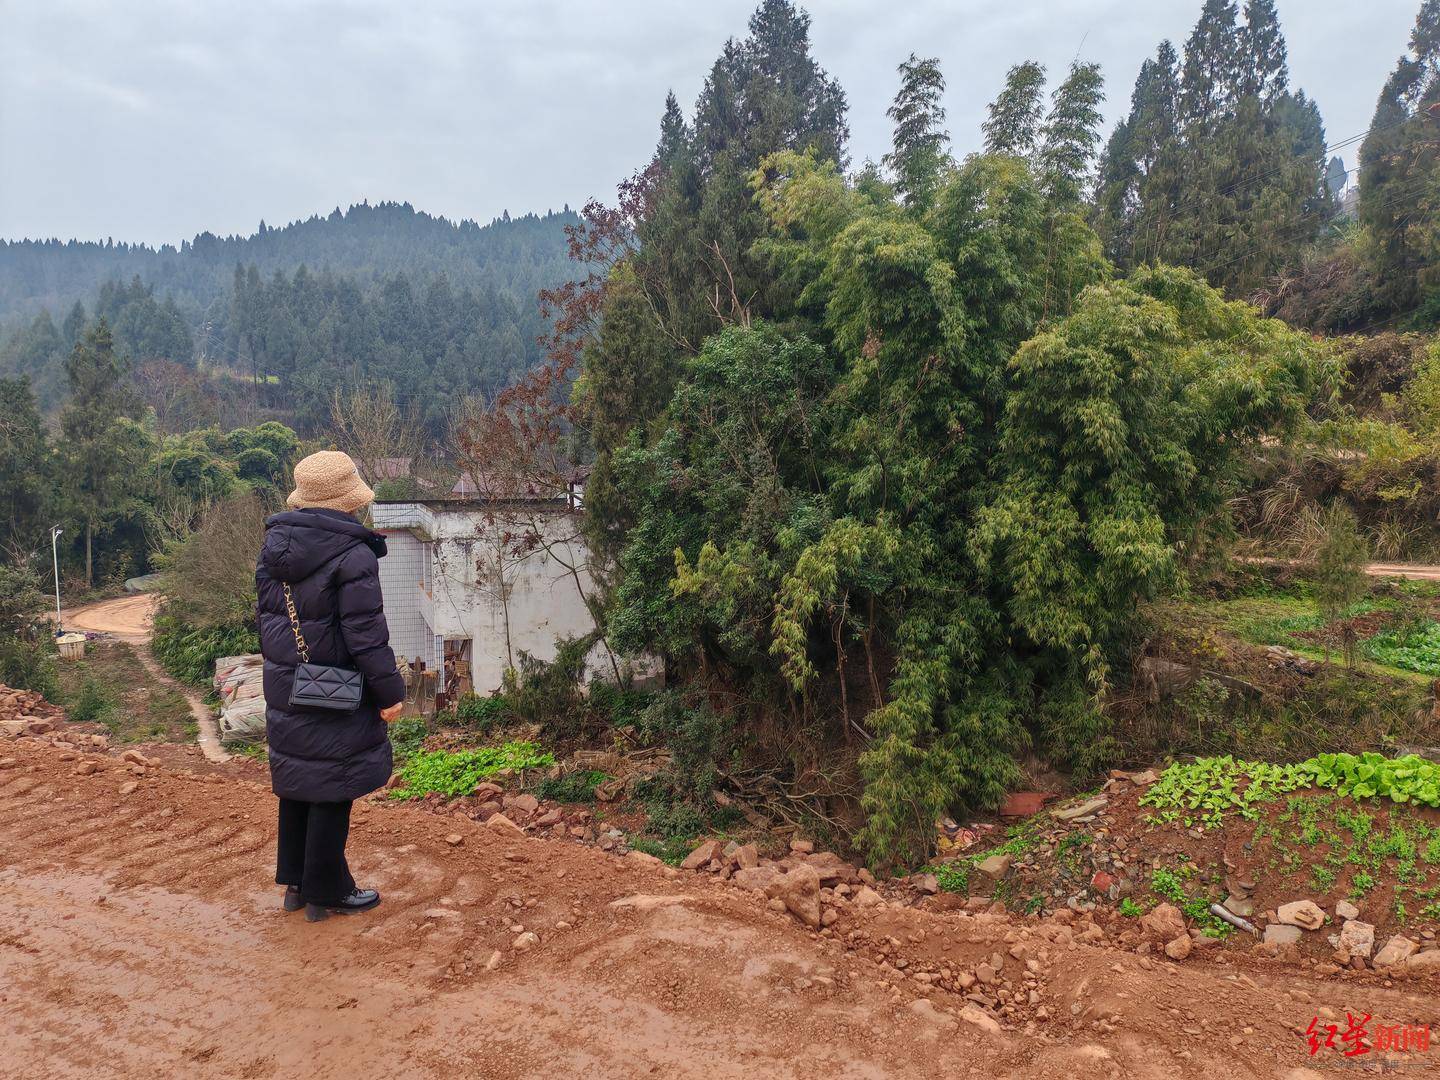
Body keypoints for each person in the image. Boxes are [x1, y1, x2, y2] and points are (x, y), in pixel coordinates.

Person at [256, 450, 406, 922]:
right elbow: (366, 635)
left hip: (288, 684)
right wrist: (390, 693)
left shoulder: (274, 548)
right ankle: (330, 891)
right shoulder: (352, 554)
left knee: (300, 780)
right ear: (348, 500)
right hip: (336, 688)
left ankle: (296, 885)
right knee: (332, 786)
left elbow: (265, 623)